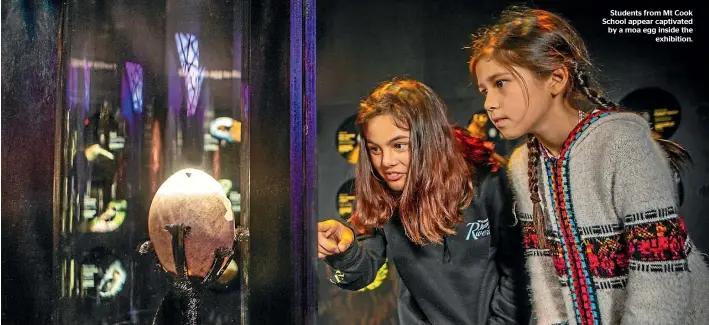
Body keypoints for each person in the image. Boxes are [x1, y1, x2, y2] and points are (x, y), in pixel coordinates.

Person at [469, 6, 709, 325]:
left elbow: (660, 274)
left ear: (556, 78)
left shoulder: (622, 141)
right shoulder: (521, 164)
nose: (489, 103)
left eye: (501, 83)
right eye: (484, 90)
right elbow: (543, 272)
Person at [318, 79, 530, 325]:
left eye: (399, 145)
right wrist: (344, 250)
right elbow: (360, 275)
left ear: (429, 138)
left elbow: (520, 276)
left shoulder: (489, 180)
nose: (386, 161)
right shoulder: (383, 192)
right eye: (375, 149)